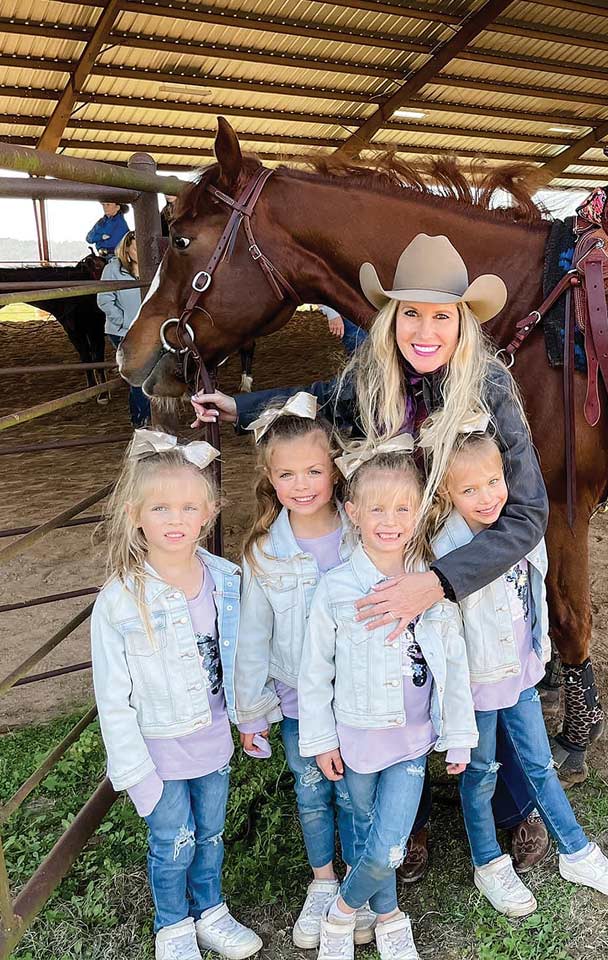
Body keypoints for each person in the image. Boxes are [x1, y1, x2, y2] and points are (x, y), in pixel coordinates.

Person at [190, 234, 552, 876]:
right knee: (391, 668)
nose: (425, 328)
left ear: (463, 322)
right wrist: (241, 405)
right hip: (397, 543)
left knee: (491, 677)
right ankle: (402, 820)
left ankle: (510, 807)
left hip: (475, 556)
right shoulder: (375, 373)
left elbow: (527, 513)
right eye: (411, 312)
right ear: (391, 318)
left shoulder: (490, 385)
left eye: (442, 315)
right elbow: (324, 397)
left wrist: (439, 583)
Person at [431, 427, 608, 916]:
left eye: (494, 482)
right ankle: (488, 863)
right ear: (446, 492)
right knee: (479, 774)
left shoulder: (520, 530)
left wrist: (540, 651)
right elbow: (445, 639)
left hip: (520, 674)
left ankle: (577, 851)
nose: (487, 498)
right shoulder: (444, 550)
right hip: (477, 686)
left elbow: (538, 593)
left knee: (540, 763)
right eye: (469, 489)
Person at [300, 441, 476, 960]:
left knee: (390, 844)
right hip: (354, 736)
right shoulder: (335, 589)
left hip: (411, 739)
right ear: (353, 513)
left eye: (403, 508)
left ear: (419, 510)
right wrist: (320, 738)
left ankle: (342, 912)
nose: (390, 521)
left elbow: (453, 666)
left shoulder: (431, 585)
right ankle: (388, 913)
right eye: (376, 509)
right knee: (362, 831)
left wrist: (460, 733)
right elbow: (316, 672)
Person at [90, 430, 262, 960]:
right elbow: (112, 698)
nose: (176, 519)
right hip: (158, 749)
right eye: (161, 507)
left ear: (209, 514)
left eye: (189, 507)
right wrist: (133, 771)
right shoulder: (120, 600)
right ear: (135, 514)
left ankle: (210, 910)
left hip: (212, 740)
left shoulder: (226, 580)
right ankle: (173, 926)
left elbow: (245, 657)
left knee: (209, 834)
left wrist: (253, 715)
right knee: (173, 841)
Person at [232, 393, 370, 950]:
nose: (303, 483)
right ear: (270, 477)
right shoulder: (264, 551)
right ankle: (322, 882)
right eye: (287, 473)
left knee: (357, 793)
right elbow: (251, 639)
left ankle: (359, 890)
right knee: (312, 789)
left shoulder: (364, 533)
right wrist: (251, 711)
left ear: (335, 470)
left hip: (359, 690)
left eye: (314, 470)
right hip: (296, 698)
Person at [98, 231, 152, 426]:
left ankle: (142, 420)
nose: (140, 252)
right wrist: (122, 322)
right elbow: (104, 299)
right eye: (136, 248)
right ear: (127, 249)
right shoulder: (113, 270)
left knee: (146, 373)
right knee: (139, 373)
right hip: (122, 331)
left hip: (147, 330)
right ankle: (142, 420)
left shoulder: (152, 269)